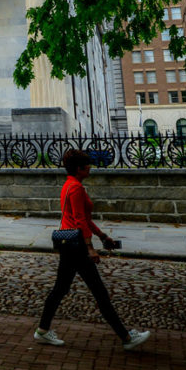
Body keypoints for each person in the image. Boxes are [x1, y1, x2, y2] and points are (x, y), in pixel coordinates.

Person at [35, 148, 151, 351]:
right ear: (79, 168)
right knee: (99, 292)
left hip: (69, 243)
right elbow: (80, 220)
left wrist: (102, 236)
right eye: (87, 164)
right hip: (77, 247)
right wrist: (90, 248)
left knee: (61, 289)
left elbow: (85, 220)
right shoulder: (76, 188)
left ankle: (43, 330)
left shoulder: (70, 185)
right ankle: (126, 337)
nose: (90, 167)